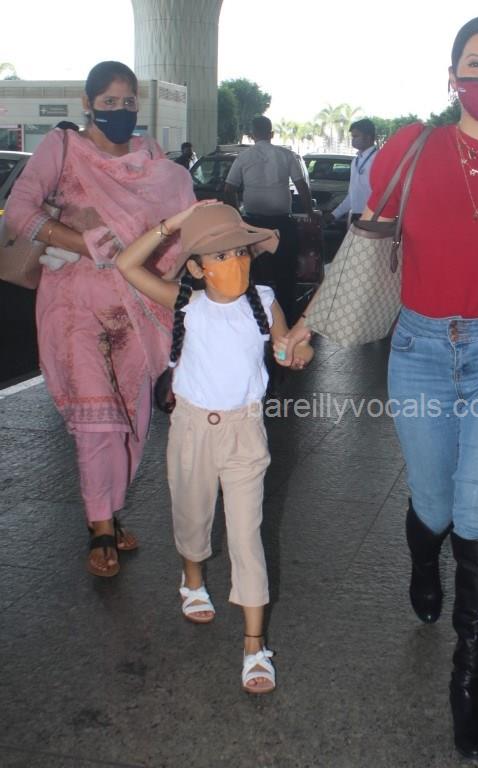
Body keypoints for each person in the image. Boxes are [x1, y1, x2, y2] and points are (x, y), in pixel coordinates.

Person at [281, 15, 478, 760]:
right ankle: (423, 557)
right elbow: (362, 246)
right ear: (451, 76)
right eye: (475, 63)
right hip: (416, 349)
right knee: (435, 504)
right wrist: (308, 324)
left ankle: (467, 684)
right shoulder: (411, 146)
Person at [4, 61, 195, 578]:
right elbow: (19, 211)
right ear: (88, 105)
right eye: (108, 102)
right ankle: (100, 527)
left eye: (128, 101)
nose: (120, 110)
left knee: (132, 419)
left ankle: (110, 509)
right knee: (98, 418)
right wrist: (80, 241)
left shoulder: (151, 158)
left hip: (139, 304)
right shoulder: (63, 148)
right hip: (74, 301)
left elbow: (176, 226)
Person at [116, 201, 313, 693]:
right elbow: (126, 264)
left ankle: (254, 646)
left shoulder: (264, 300)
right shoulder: (185, 302)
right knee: (192, 514)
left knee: (247, 535)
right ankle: (192, 579)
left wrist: (296, 350)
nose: (235, 264)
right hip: (192, 429)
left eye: (241, 253)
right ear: (198, 268)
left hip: (245, 431)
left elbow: (287, 343)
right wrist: (174, 223)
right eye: (220, 257)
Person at [224, 115, 316, 323]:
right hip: (282, 225)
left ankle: (254, 316)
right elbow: (301, 186)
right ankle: (286, 319)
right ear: (271, 134)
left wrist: (237, 216)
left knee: (251, 271)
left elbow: (229, 188)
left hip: (252, 225)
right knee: (286, 273)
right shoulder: (286, 155)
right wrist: (310, 212)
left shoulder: (243, 157)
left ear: (252, 135)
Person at [326, 118, 378, 224]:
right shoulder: (355, 161)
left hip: (373, 217)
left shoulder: (379, 159)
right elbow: (352, 195)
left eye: (356, 136)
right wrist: (334, 215)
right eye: (352, 137)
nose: (352, 140)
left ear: (368, 137)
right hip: (355, 216)